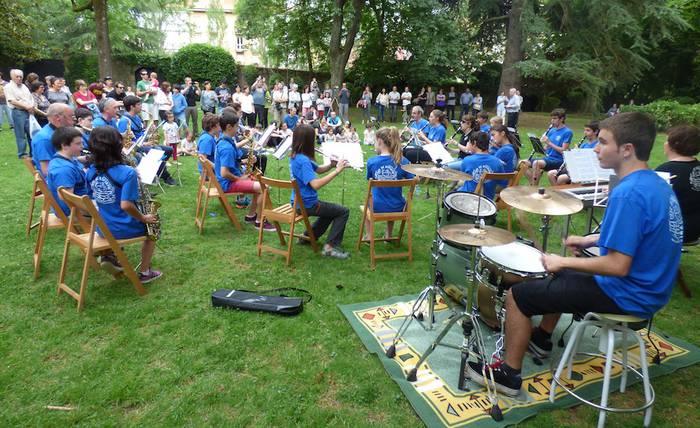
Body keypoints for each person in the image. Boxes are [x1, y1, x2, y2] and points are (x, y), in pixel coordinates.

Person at [467, 112, 683, 397]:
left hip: (628, 295)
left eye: (603, 142)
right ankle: (542, 338)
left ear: (627, 149)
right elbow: (638, 236)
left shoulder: (628, 193)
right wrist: (588, 239)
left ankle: (508, 375)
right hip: (650, 289)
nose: (595, 148)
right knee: (558, 274)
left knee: (518, 297)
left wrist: (562, 260)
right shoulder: (655, 184)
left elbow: (618, 265)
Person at [85, 126, 163, 283]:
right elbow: (126, 205)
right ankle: (145, 272)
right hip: (124, 226)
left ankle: (109, 255)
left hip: (103, 227)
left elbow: (94, 197)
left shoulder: (91, 171)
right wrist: (144, 218)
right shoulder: (127, 172)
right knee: (153, 226)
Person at [289, 124, 351, 259]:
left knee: (330, 212)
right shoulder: (303, 161)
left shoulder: (295, 156)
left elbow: (317, 170)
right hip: (307, 204)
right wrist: (337, 171)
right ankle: (330, 248)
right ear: (308, 141)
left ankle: (307, 237)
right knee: (342, 211)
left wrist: (331, 165)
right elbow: (315, 184)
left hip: (297, 202)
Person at [214, 111, 274, 231]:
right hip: (228, 183)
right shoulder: (226, 147)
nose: (238, 129)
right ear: (229, 127)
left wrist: (245, 161)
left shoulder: (224, 141)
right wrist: (240, 178)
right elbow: (224, 173)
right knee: (265, 187)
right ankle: (260, 222)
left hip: (226, 181)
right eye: (237, 126)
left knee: (259, 183)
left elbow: (229, 163)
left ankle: (251, 216)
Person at [364, 127, 415, 240]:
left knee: (368, 201)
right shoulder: (403, 161)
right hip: (398, 207)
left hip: (376, 207)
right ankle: (389, 234)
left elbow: (369, 179)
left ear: (380, 141)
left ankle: (369, 236)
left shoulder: (372, 162)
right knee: (392, 197)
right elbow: (415, 179)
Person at [117, 96, 177, 186]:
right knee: (158, 151)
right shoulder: (124, 121)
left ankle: (156, 171)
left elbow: (141, 132)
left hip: (144, 143)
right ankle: (165, 176)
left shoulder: (137, 117)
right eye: (138, 104)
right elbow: (124, 141)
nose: (141, 106)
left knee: (169, 150)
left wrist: (149, 132)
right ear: (132, 107)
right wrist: (144, 143)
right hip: (135, 148)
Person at [656, 125, 700, 243]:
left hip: (673, 229)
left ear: (673, 145)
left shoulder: (665, 170)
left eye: (667, 140)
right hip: (696, 228)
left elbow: (654, 204)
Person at [447, 131, 504, 200]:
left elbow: (462, 179)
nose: (467, 145)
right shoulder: (497, 162)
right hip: (487, 201)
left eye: (469, 142)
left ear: (474, 143)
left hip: (467, 198)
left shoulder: (467, 160)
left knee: (448, 195)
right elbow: (501, 183)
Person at [46, 127, 89, 216]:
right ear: (64, 145)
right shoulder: (64, 170)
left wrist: (88, 158)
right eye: (78, 144)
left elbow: (75, 161)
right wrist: (96, 207)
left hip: (81, 203)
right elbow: (67, 199)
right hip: (73, 212)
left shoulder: (63, 158)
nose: (82, 146)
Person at [524, 108, 573, 184]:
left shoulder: (567, 132)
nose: (552, 121)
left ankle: (534, 186)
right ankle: (533, 182)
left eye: (555, 118)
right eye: (552, 118)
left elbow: (564, 151)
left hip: (558, 160)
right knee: (523, 163)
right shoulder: (552, 130)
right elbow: (546, 148)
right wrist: (538, 146)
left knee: (536, 163)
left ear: (562, 119)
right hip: (548, 158)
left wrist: (549, 142)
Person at [547, 121, 599, 185]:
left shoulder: (597, 145)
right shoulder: (584, 145)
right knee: (551, 174)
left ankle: (564, 193)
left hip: (585, 171)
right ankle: (557, 192)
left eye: (588, 130)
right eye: (584, 130)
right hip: (577, 169)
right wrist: (572, 153)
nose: (585, 133)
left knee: (561, 178)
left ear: (596, 132)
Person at [31, 103, 75, 175]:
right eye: (70, 116)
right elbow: (47, 170)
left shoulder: (57, 132)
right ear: (58, 117)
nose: (73, 121)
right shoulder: (44, 139)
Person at [5, 69, 35, 158]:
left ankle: (33, 152)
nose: (19, 78)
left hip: (29, 111)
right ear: (12, 77)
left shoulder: (24, 86)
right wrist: (27, 107)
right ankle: (22, 154)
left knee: (31, 132)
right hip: (18, 112)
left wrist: (32, 106)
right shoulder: (8, 87)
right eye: (17, 76)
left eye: (20, 76)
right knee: (20, 134)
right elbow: (12, 101)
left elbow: (31, 98)